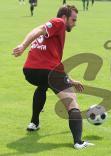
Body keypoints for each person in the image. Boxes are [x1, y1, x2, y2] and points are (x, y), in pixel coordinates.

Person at [12, 5, 94, 149]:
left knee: (43, 85)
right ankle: (78, 142)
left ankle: (34, 123)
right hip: (48, 71)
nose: (75, 23)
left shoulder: (53, 34)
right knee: (72, 103)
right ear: (64, 17)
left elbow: (54, 63)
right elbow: (38, 30)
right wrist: (23, 45)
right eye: (73, 20)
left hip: (30, 71)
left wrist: (71, 80)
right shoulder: (59, 22)